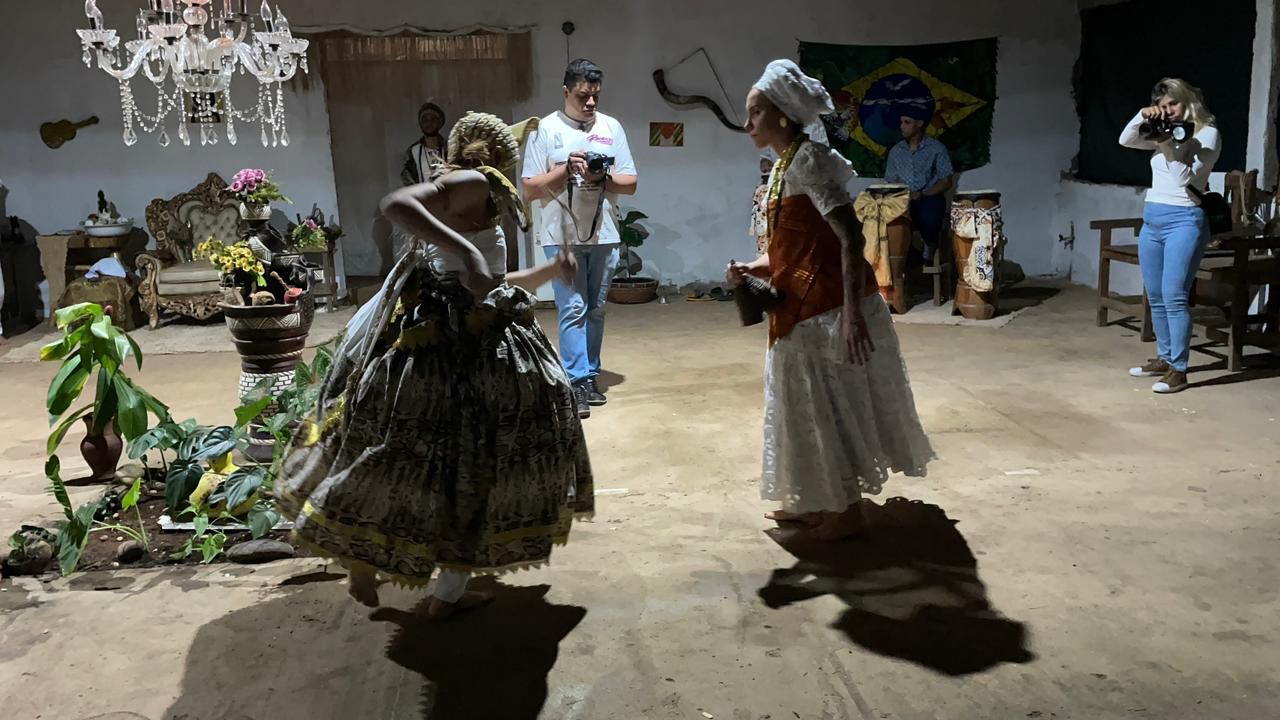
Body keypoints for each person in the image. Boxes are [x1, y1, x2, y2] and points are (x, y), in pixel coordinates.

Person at [277, 112, 594, 618]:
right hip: (454, 344)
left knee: (410, 456)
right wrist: (467, 252)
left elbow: (498, 281)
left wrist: (551, 270)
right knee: (474, 460)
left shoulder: (484, 196)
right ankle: (433, 589)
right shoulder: (473, 182)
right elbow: (394, 205)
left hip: (468, 327)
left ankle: (382, 565)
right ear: (500, 158)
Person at [726, 60, 933, 541]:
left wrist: (853, 317)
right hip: (795, 307)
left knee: (831, 408)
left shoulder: (809, 161)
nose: (747, 124)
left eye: (755, 113)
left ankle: (845, 511)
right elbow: (794, 244)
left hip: (827, 310)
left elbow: (848, 236)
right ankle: (816, 501)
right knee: (804, 410)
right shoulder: (782, 166)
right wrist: (751, 267)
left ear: (781, 114)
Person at [523, 58, 638, 419]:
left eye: (595, 97)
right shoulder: (546, 129)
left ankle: (589, 373)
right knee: (572, 307)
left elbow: (630, 183)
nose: (590, 104)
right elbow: (529, 189)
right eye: (582, 96)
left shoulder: (611, 127)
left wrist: (599, 177)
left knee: (597, 308)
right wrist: (565, 169)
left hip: (603, 232)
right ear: (565, 92)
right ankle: (576, 380)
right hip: (561, 234)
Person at [1119, 78, 1221, 394]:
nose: (1169, 112)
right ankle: (1163, 358)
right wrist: (1143, 115)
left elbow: (1183, 180)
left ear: (1188, 101)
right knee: (1156, 295)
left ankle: (1179, 369)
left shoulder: (1207, 135)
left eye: (1173, 105)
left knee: (1175, 295)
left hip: (1185, 220)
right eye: (1164, 107)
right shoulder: (1165, 129)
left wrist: (1166, 146)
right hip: (1153, 220)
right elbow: (1126, 140)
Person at [883, 108, 954, 263]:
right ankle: (905, 254)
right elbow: (891, 180)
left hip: (928, 197)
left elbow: (946, 181)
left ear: (920, 124)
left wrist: (923, 194)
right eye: (901, 122)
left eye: (907, 122)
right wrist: (904, 194)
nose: (902, 126)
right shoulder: (896, 151)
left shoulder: (936, 148)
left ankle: (929, 245)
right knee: (888, 217)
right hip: (902, 199)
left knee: (929, 213)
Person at [401, 102, 448, 187]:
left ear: (440, 122)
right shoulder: (413, 152)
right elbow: (408, 181)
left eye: (433, 119)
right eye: (425, 120)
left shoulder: (450, 149)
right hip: (424, 198)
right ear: (420, 123)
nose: (429, 123)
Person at [750, 153, 774, 256]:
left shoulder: (772, 186)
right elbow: (755, 208)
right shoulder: (759, 187)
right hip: (762, 225)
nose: (763, 166)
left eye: (766, 162)